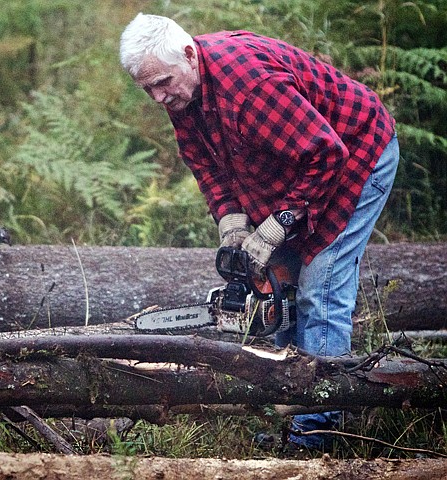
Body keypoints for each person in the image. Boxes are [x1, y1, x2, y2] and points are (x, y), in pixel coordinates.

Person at [120, 13, 399, 451]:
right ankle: (293, 414)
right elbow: (207, 164)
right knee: (280, 291)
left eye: (162, 82)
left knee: (320, 285)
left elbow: (327, 154)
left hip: (355, 153)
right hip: (294, 172)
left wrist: (274, 228)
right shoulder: (184, 94)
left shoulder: (249, 86)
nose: (158, 96)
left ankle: (320, 431)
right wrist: (232, 222)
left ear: (189, 54)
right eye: (148, 88)